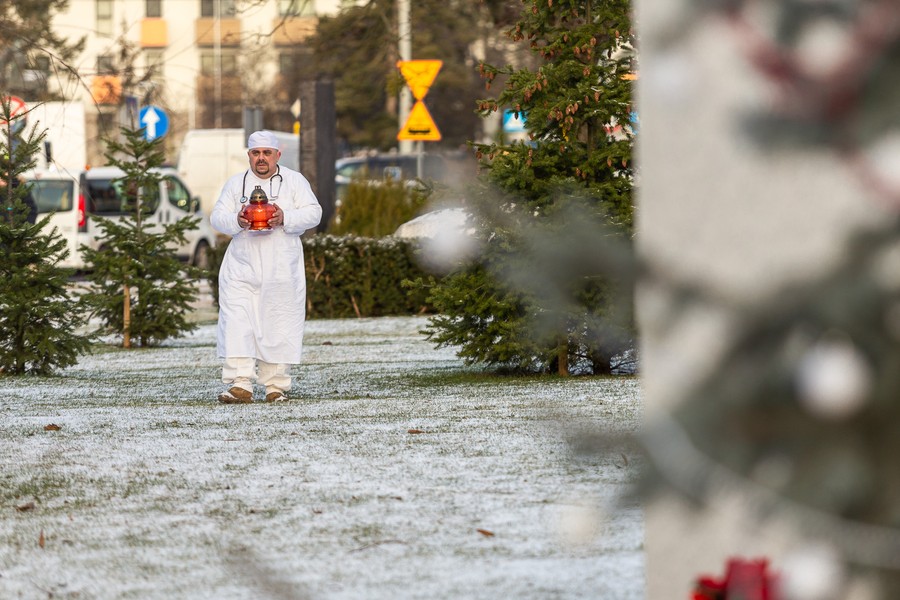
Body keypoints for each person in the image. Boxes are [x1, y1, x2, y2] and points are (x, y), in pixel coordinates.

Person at [210, 130, 322, 403]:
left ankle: (275, 386)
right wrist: (237, 220)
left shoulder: (295, 181)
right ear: (249, 155)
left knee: (278, 323)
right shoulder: (236, 184)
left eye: (266, 153)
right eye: (256, 153)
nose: (261, 159)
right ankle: (240, 384)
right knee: (237, 322)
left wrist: (285, 217)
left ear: (277, 155)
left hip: (281, 268)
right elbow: (217, 217)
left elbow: (314, 212)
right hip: (242, 267)